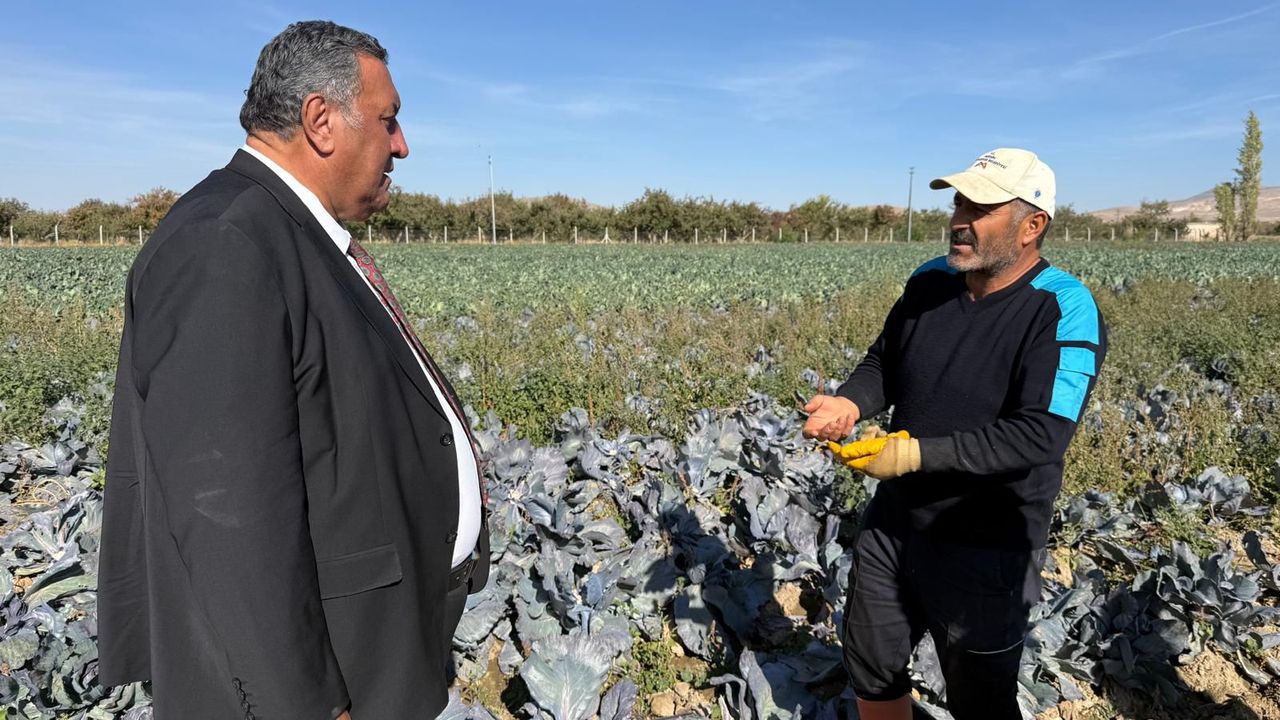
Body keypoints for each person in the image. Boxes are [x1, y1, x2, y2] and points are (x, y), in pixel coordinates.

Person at [96, 21, 488, 720]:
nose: (402, 145)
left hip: (368, 648)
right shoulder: (226, 241)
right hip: (322, 681)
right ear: (321, 121)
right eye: (388, 120)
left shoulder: (287, 231)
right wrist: (303, 702)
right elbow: (227, 515)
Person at [802, 148, 1106, 720]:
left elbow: (1041, 435)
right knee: (871, 665)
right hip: (895, 525)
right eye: (960, 200)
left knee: (980, 697)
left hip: (987, 543)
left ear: (1031, 226)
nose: (959, 217)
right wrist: (849, 401)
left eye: (982, 206)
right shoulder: (930, 282)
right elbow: (885, 361)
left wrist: (915, 455)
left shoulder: (1063, 309)